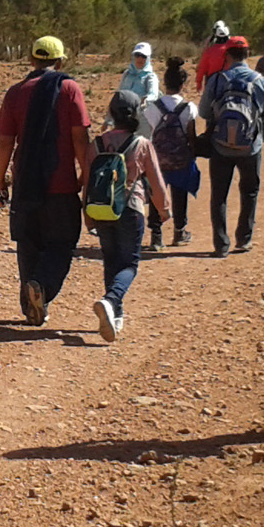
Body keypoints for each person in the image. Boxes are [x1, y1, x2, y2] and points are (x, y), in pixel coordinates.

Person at [0, 35, 93, 326]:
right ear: (60, 61)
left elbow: (5, 142)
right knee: (61, 242)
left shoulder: (15, 92)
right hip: (60, 183)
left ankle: (31, 303)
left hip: (25, 182)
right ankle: (42, 287)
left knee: (28, 243)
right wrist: (84, 176)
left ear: (32, 61)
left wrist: (0, 181)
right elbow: (80, 137)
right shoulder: (69, 88)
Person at [85, 91, 170, 342]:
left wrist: (87, 216)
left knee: (110, 260)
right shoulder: (141, 144)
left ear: (111, 113)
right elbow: (155, 180)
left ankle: (115, 314)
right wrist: (164, 211)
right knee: (130, 264)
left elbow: (88, 184)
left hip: (101, 210)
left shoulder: (96, 144)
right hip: (130, 209)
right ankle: (111, 301)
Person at [200, 38, 264, 257]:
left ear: (227, 55)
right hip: (251, 146)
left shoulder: (217, 79)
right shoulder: (260, 80)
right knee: (250, 192)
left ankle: (221, 244)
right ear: (248, 54)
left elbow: (203, 113)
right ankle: (243, 239)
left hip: (220, 146)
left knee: (219, 195)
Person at [142, 56, 199, 250]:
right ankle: (179, 232)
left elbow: (151, 130)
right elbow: (191, 135)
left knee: (156, 194)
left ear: (164, 82)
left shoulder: (153, 108)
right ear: (183, 83)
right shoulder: (189, 108)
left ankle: (156, 237)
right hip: (181, 159)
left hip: (158, 159)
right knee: (180, 193)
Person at [194, 21, 233, 90]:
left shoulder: (210, 49)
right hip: (228, 80)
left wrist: (199, 82)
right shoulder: (232, 49)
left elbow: (203, 66)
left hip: (212, 80)